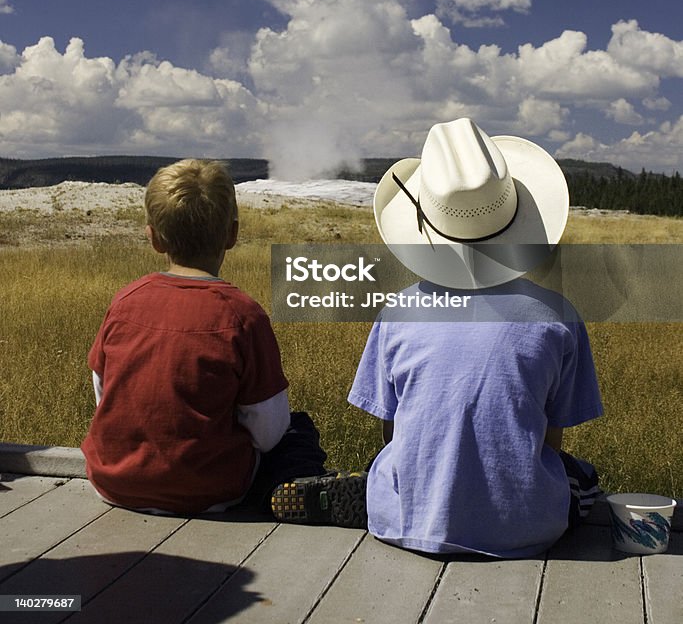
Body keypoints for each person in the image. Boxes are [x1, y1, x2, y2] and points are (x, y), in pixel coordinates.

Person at [271, 118, 603, 557]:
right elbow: (550, 439)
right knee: (584, 478)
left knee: (385, 462)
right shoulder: (558, 317)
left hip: (406, 521)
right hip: (525, 530)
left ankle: (375, 494)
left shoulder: (398, 312)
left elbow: (391, 431)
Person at [81, 159, 326, 516]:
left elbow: (103, 391)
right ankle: (298, 491)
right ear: (233, 234)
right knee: (298, 433)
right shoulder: (243, 315)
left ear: (154, 237)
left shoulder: (125, 301)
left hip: (113, 483)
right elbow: (269, 431)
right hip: (211, 491)